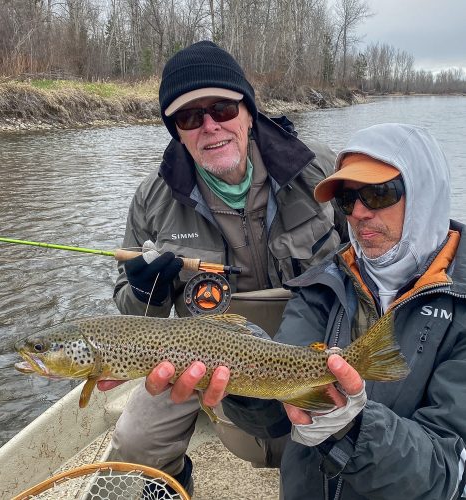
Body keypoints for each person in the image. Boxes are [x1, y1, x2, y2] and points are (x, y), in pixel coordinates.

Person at [160, 122, 466, 499]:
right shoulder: (322, 285)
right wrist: (235, 380)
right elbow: (273, 419)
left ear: (425, 193)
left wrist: (355, 428)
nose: (358, 214)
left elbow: (446, 476)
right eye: (347, 200)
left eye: (379, 194)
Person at [101, 40, 345, 493]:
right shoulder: (151, 201)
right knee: (134, 443)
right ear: (176, 131)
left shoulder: (319, 169)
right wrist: (142, 292)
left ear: (249, 112)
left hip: (313, 341)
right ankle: (174, 484)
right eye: (190, 117)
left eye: (222, 108)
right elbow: (130, 321)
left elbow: (370, 265)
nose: (210, 126)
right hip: (197, 356)